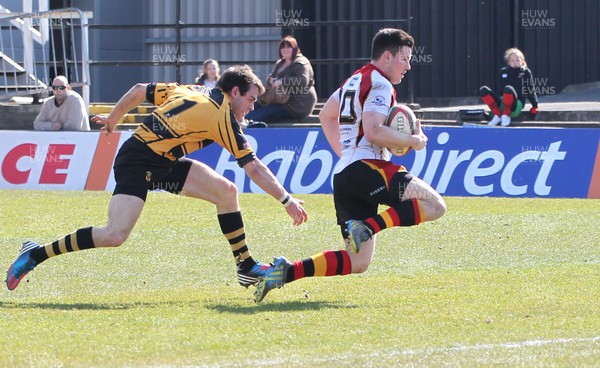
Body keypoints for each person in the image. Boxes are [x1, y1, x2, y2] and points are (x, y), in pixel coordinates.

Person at [6, 65, 308, 291]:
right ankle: (36, 252)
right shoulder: (221, 114)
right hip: (138, 161)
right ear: (235, 93)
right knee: (114, 235)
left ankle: (246, 266)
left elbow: (140, 89)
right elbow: (253, 167)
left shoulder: (193, 90)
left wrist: (114, 118)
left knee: (226, 191)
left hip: (163, 160)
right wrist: (286, 200)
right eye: (252, 99)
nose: (253, 107)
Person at [253, 29, 447, 302]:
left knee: (359, 262)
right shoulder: (380, 83)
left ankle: (286, 272)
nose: (409, 65)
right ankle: (369, 226)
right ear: (388, 56)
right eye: (404, 58)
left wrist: (346, 154)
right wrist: (412, 140)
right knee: (436, 205)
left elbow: (326, 115)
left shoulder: (355, 79)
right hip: (368, 167)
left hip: (346, 173)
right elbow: (374, 131)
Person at [245, 36, 317, 124]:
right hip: (278, 99)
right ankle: (239, 120)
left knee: (266, 111)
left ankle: (248, 123)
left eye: (289, 47)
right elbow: (271, 78)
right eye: (283, 47)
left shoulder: (301, 63)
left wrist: (282, 81)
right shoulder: (280, 63)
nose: (285, 49)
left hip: (296, 104)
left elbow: (302, 81)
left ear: (295, 49)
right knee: (254, 105)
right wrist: (271, 80)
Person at [480, 48, 539, 127]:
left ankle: (506, 115)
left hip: (516, 104)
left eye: (517, 60)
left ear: (522, 61)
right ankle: (497, 115)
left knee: (508, 89)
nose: (515, 62)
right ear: (508, 62)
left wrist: (534, 106)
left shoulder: (525, 72)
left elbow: (530, 89)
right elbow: (499, 90)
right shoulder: (503, 71)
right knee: (484, 90)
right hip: (503, 101)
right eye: (512, 60)